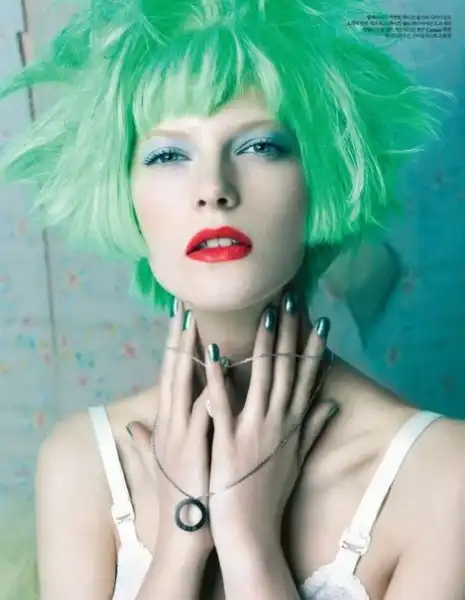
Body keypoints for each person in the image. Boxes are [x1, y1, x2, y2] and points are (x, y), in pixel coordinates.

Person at [1, 0, 465, 599]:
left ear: (319, 173)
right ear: (126, 194)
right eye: (168, 154)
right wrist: (184, 536)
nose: (214, 190)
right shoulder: (83, 462)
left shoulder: (444, 475)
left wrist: (249, 538)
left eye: (259, 147)